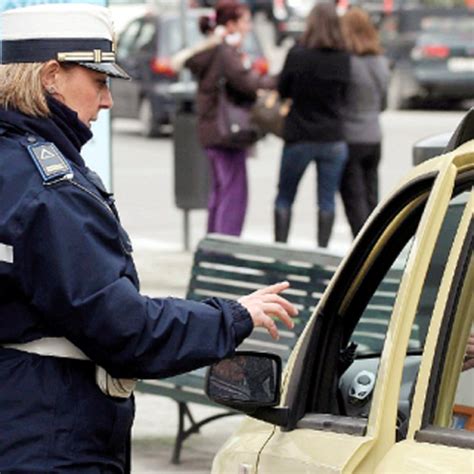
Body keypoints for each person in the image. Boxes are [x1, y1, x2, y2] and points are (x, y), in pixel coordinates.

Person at [0, 4, 297, 472]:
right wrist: (234, 316)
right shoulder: (48, 191)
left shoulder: (13, 166)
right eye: (99, 82)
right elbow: (124, 329)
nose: (107, 101)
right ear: (51, 76)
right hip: (50, 435)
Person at [182, 0, 275, 237]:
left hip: (212, 129)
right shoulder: (225, 50)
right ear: (231, 24)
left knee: (220, 191)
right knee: (234, 194)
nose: (249, 26)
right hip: (226, 131)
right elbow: (246, 82)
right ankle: (226, 249)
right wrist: (278, 81)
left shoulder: (213, 49)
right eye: (245, 21)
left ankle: (214, 245)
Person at [273, 3, 350, 248]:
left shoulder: (297, 54)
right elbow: (345, 95)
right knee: (326, 200)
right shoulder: (343, 57)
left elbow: (282, 88)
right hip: (332, 136)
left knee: (285, 196)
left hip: (300, 134)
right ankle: (322, 253)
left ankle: (280, 249)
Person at [340, 7, 390, 238]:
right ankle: (377, 244)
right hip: (374, 136)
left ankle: (362, 250)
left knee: (354, 198)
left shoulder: (346, 63)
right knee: (372, 197)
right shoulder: (380, 60)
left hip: (350, 137)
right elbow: (383, 102)